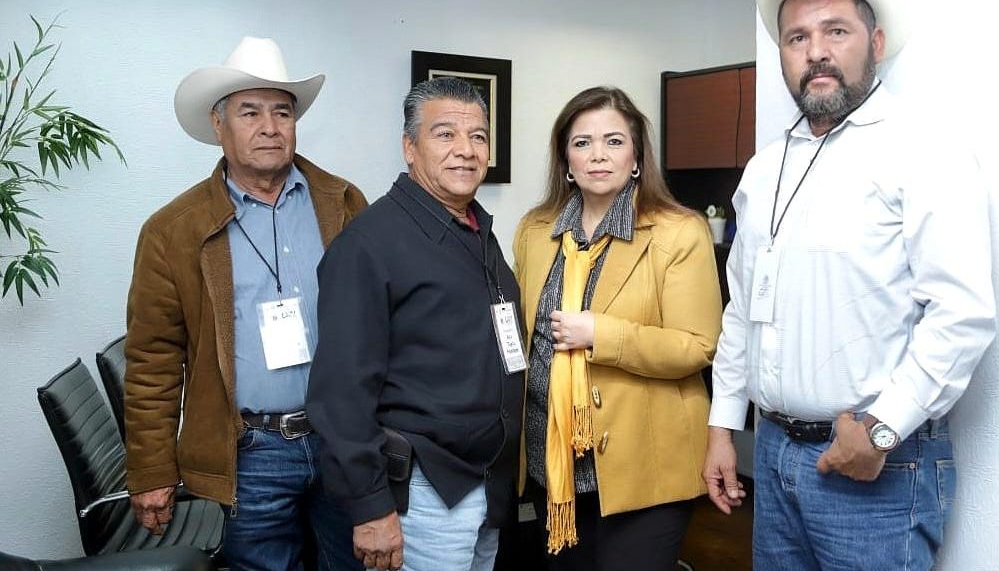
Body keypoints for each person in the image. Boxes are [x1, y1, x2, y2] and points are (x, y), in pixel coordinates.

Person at [703, 0, 996, 569]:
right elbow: (743, 307)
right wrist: (723, 427)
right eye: (797, 37)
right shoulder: (764, 169)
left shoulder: (924, 151)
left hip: (877, 467)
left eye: (836, 31)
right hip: (774, 454)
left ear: (876, 43)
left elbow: (962, 313)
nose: (816, 51)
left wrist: (881, 429)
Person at [124, 36, 367, 570]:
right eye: (250, 112)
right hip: (250, 453)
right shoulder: (172, 231)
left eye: (282, 112)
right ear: (219, 125)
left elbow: (381, 326)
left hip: (342, 441)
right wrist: (151, 471)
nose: (269, 127)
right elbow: (152, 362)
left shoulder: (345, 204)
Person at [306, 76, 524, 571]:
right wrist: (370, 507)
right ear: (409, 147)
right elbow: (341, 393)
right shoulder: (368, 245)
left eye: (478, 136)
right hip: (423, 494)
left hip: (486, 483)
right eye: (445, 134)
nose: (466, 150)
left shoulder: (476, 231)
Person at [513, 86, 723, 570]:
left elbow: (697, 346)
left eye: (613, 141)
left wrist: (601, 335)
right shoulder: (535, 230)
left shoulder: (678, 230)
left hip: (645, 466)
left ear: (636, 157)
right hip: (553, 464)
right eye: (582, 143)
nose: (598, 155)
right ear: (565, 159)